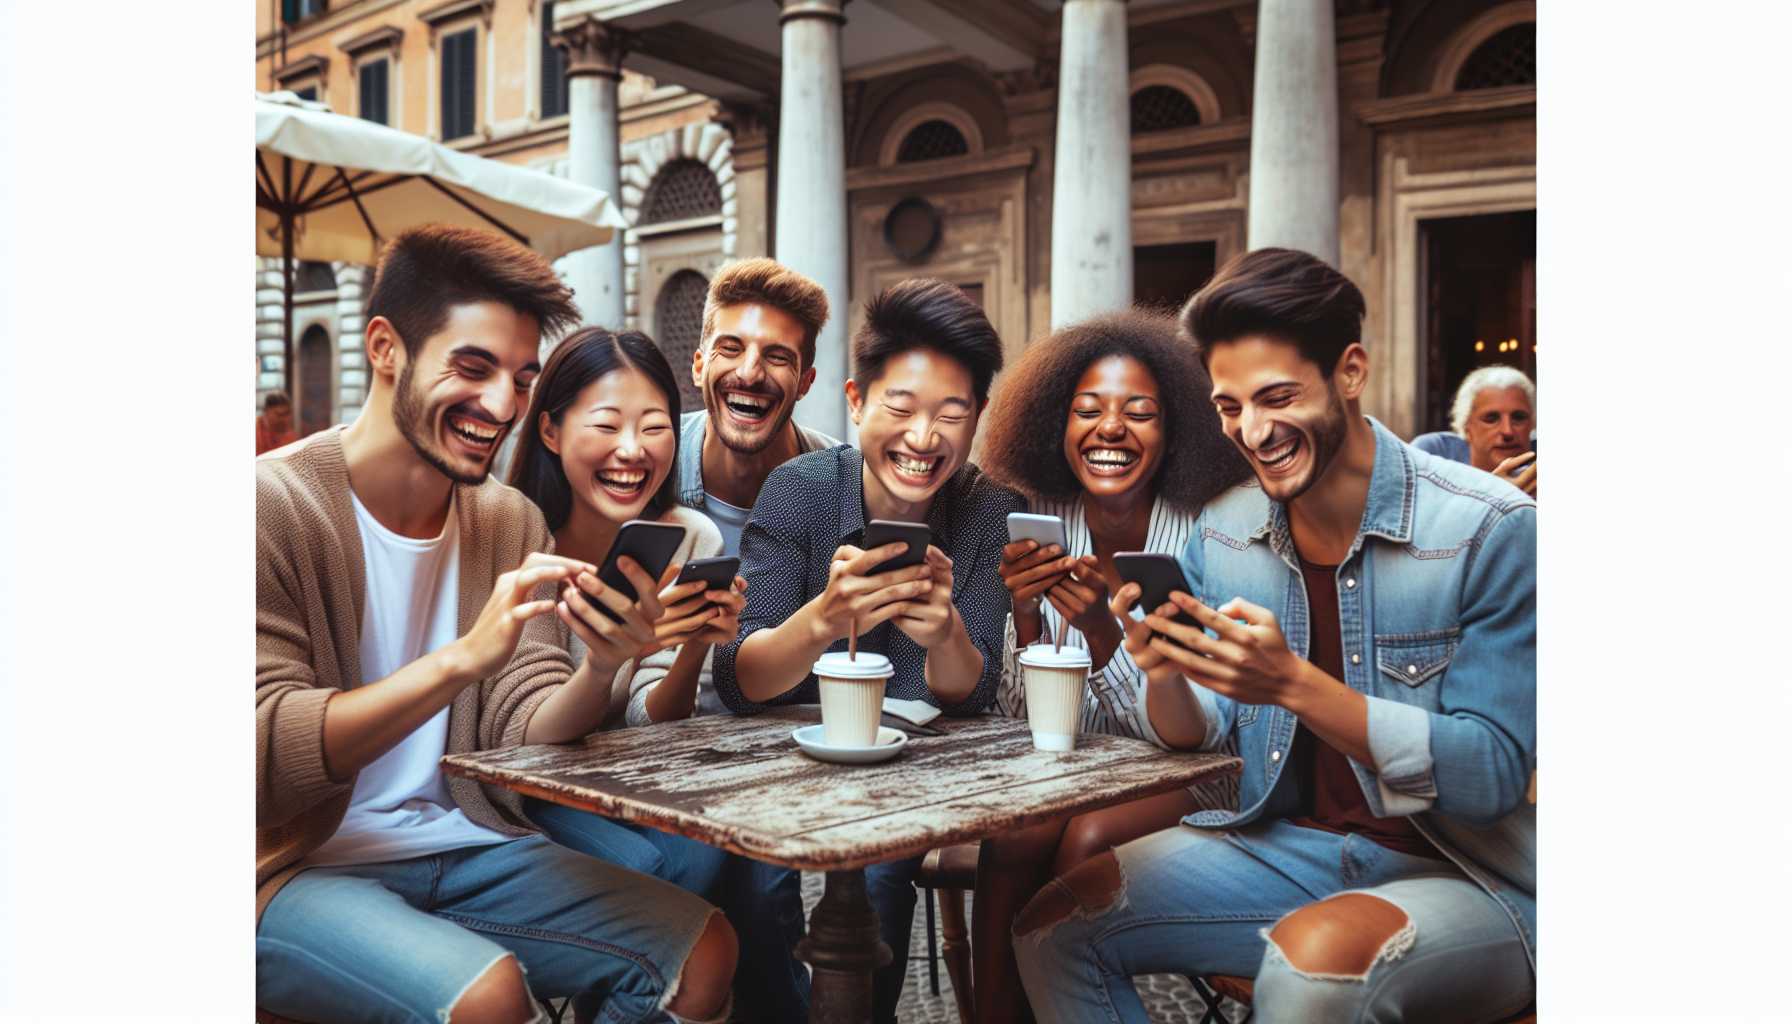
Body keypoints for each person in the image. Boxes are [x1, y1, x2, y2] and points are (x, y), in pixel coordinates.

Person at [1013, 248, 1536, 1024]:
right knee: (1052, 929)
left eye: (1277, 397)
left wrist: (1295, 684)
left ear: (1350, 372)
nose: (1253, 432)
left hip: (1477, 880)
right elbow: (1200, 733)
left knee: (1309, 970)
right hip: (1287, 850)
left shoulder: (1490, 527)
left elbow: (1490, 774)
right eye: (1230, 407)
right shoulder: (1224, 534)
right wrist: (1160, 670)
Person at [256, 224, 737, 1024]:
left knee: (703, 952)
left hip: (462, 843)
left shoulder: (507, 517)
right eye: (472, 368)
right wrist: (460, 659)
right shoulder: (272, 504)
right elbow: (265, 748)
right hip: (294, 869)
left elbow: (526, 724)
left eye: (519, 378)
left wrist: (599, 667)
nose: (501, 406)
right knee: (489, 997)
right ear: (385, 348)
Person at [714, 278, 1023, 1024]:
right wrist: (824, 617)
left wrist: (944, 629)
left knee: (887, 877)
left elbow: (971, 692)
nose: (923, 440)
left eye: (951, 415)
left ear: (977, 419)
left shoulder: (986, 509)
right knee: (755, 886)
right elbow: (740, 676)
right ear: (855, 401)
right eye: (901, 408)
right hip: (782, 758)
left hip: (916, 775)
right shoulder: (800, 491)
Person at [507, 325, 809, 1021]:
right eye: (607, 425)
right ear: (550, 432)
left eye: (654, 427)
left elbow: (654, 714)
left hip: (631, 777)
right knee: (663, 866)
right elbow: (529, 738)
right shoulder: (517, 535)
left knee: (726, 857)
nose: (633, 452)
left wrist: (695, 642)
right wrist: (613, 658)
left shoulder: (687, 534)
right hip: (527, 788)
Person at [971, 309, 1252, 1023]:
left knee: (1087, 838)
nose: (1110, 429)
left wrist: (1102, 630)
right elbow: (1021, 724)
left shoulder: (1205, 534)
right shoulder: (1040, 517)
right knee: (1016, 833)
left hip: (1200, 768)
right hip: (1073, 769)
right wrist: (1029, 617)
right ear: (1054, 426)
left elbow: (1194, 737)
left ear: (1173, 432)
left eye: (1140, 413)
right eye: (1087, 410)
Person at [677, 257, 840, 558]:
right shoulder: (650, 463)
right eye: (730, 349)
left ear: (805, 382)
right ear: (699, 367)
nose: (749, 374)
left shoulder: (845, 486)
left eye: (777, 356)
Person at [1411, 365, 1537, 496]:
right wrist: (1494, 494)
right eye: (1491, 419)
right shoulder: (1434, 453)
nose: (1508, 431)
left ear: (1532, 424)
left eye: (1519, 417)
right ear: (1466, 427)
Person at [255, 389, 298, 454]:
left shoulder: (289, 434)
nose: (284, 419)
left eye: (287, 413)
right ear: (266, 411)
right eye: (279, 414)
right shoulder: (256, 429)